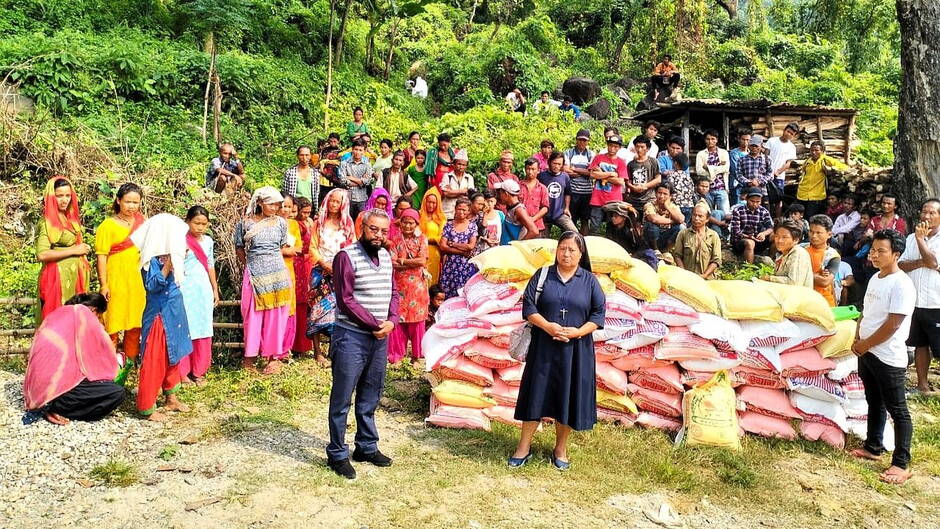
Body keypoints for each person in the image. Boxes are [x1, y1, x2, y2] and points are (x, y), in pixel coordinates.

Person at [509, 231, 605, 470]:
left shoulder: (589, 281)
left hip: (576, 350)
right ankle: (523, 447)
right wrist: (548, 326)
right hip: (544, 347)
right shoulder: (543, 276)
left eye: (572, 250)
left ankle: (560, 448)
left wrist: (579, 331)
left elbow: (598, 314)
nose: (566, 253)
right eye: (562, 248)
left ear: (581, 254)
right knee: (535, 395)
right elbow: (529, 306)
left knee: (568, 398)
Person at [327, 209, 399, 480]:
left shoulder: (386, 256)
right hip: (352, 337)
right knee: (342, 398)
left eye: (383, 230)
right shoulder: (346, 256)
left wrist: (392, 319)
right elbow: (345, 300)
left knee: (371, 394)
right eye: (373, 229)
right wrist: (374, 324)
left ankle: (366, 446)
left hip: (379, 338)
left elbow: (394, 291)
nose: (378, 235)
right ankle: (337, 452)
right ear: (362, 227)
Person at [850, 229, 916, 486]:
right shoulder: (876, 278)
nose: (874, 255)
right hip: (866, 350)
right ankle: (873, 447)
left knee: (898, 409)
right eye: (873, 250)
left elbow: (893, 324)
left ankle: (901, 463)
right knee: (873, 401)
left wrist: (865, 344)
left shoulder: (902, 284)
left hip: (887, 355)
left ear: (896, 254)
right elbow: (866, 312)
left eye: (881, 251)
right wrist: (857, 338)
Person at [22, 293, 124, 425]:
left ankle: (48, 405)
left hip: (35, 391)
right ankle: (58, 408)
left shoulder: (58, 314)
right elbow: (103, 352)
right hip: (57, 392)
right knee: (116, 392)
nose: (98, 320)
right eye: (98, 316)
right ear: (93, 310)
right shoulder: (83, 315)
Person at [130, 213, 192, 421]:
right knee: (154, 358)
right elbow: (153, 285)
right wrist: (167, 267)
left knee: (173, 353)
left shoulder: (173, 256)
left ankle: (171, 397)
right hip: (159, 314)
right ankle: (146, 406)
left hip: (174, 311)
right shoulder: (151, 260)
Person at [235, 187, 292, 374]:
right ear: (260, 203)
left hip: (277, 274)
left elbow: (281, 247)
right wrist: (252, 264)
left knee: (276, 316)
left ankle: (272, 357)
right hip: (254, 275)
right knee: (252, 316)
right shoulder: (244, 224)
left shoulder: (281, 224)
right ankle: (249, 359)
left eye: (278, 204)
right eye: (271, 204)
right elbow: (240, 249)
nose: (275, 208)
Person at [95, 183, 147, 362]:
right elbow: (101, 256)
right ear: (118, 201)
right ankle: (110, 368)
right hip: (115, 282)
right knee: (112, 324)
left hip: (137, 282)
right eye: (127, 202)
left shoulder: (143, 223)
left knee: (135, 325)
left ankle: (130, 367)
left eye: (136, 202)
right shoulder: (107, 226)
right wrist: (104, 284)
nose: (132, 206)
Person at [308, 189, 356, 367]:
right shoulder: (319, 222)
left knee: (339, 311)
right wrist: (323, 263)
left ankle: (333, 350)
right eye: (331, 201)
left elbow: (352, 246)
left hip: (341, 271)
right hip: (320, 271)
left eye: (337, 202)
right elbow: (312, 247)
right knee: (316, 308)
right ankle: (317, 352)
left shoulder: (348, 223)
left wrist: (340, 266)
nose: (334, 205)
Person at [899, 198, 940, 394]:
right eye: (924, 212)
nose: (926, 216)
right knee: (920, 344)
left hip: (936, 301)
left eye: (932, 213)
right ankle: (922, 384)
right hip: (915, 301)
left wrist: (921, 241)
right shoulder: (910, 238)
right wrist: (921, 261)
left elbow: (932, 262)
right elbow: (901, 265)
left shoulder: (920, 238)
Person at [36, 177, 91, 321]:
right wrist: (74, 251)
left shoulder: (70, 220)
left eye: (67, 195)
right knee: (57, 320)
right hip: (56, 278)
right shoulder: (47, 223)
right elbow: (42, 254)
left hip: (73, 276)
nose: (64, 200)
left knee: (73, 319)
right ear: (51, 197)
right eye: (59, 196)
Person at [178, 206, 220, 385]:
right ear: (187, 221)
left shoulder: (208, 241)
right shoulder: (180, 240)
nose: (200, 227)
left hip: (203, 288)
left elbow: (210, 265)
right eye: (196, 223)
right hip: (184, 288)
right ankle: (182, 371)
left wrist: (215, 289)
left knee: (203, 328)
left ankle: (199, 370)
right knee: (186, 328)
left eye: (204, 224)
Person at [388, 208, 429, 364]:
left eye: (411, 223)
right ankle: (397, 354)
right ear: (401, 223)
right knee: (399, 318)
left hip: (417, 286)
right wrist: (409, 263)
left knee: (417, 320)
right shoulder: (395, 240)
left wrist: (403, 261)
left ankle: (417, 356)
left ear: (416, 224)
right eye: (405, 222)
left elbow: (422, 261)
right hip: (399, 284)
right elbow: (393, 263)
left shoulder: (422, 239)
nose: (407, 226)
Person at [279, 195, 303, 364]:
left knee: (289, 306)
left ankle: (285, 348)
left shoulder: (293, 224)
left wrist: (288, 250)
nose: (286, 210)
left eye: (289, 206)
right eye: (283, 206)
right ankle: (273, 348)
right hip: (273, 268)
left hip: (289, 268)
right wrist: (284, 251)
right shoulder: (270, 223)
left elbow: (299, 247)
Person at [438, 198, 479, 298]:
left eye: (464, 210)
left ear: (469, 211)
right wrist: (461, 251)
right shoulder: (448, 225)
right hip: (450, 265)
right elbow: (443, 246)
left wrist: (452, 244)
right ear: (455, 209)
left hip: (465, 266)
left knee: (463, 293)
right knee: (447, 293)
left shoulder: (472, 226)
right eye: (459, 209)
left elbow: (470, 246)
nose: (461, 212)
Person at [796, 140, 848, 218]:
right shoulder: (807, 161)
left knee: (810, 217)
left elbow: (845, 168)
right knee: (798, 216)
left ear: (822, 151)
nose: (814, 152)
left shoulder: (826, 160)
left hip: (816, 195)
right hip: (802, 194)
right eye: (812, 150)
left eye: (817, 150)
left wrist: (831, 169)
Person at [292, 197, 316, 356]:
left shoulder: (309, 222)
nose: (306, 215)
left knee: (308, 302)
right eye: (303, 212)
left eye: (309, 212)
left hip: (308, 264)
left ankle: (306, 344)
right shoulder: (295, 225)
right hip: (297, 264)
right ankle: (297, 345)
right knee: (299, 303)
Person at [673, 203, 722, 279]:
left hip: (707, 280)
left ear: (707, 219)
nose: (696, 218)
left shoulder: (713, 236)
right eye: (694, 215)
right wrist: (684, 274)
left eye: (700, 216)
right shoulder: (683, 233)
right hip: (687, 278)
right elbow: (677, 256)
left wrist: (704, 276)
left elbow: (716, 260)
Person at [761, 220, 814, 288]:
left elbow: (794, 283)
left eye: (784, 237)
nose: (779, 240)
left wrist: (769, 278)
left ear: (796, 240)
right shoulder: (782, 255)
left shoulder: (798, 253)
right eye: (777, 236)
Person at [803, 215, 841, 307]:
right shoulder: (801, 249)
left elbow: (825, 282)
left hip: (823, 301)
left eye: (818, 233)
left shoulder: (832, 255)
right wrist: (816, 276)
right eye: (811, 232)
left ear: (829, 234)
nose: (814, 236)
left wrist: (802, 274)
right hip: (803, 297)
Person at [563, 129, 596, 234]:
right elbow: (565, 170)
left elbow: (591, 173)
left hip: (587, 192)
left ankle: (584, 242)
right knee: (571, 219)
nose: (582, 142)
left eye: (585, 140)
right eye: (580, 140)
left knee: (585, 220)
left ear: (588, 141)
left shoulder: (591, 154)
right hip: (572, 191)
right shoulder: (568, 153)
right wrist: (584, 172)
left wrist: (575, 169)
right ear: (576, 140)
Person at [537, 155, 578, 236]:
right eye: (554, 163)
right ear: (549, 163)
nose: (556, 166)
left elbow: (567, 193)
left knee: (574, 232)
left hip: (559, 213)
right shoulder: (541, 176)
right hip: (544, 214)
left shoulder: (565, 176)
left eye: (559, 164)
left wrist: (566, 208)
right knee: (543, 241)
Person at [730, 187, 774, 263]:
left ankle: (769, 260)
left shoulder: (764, 211)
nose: (755, 204)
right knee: (750, 243)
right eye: (752, 201)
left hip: (758, 240)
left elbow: (770, 228)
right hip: (741, 242)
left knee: (775, 236)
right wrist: (749, 237)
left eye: (758, 202)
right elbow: (736, 232)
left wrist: (763, 234)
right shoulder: (738, 211)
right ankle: (749, 268)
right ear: (746, 199)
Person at [765, 122, 799, 217]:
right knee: (766, 198)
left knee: (778, 199)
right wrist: (768, 171)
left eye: (792, 134)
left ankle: (778, 219)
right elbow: (765, 156)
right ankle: (767, 218)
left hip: (779, 176)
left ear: (794, 136)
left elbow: (788, 164)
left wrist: (777, 172)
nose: (789, 134)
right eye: (788, 131)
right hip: (766, 175)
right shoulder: (772, 141)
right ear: (784, 130)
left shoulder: (791, 147)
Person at [658, 137, 695, 223]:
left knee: (677, 224)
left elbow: (670, 188)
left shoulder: (672, 176)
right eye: (673, 148)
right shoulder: (688, 177)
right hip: (689, 205)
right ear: (668, 146)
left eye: (678, 148)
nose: (675, 151)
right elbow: (692, 190)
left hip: (677, 205)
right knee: (685, 225)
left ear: (675, 163)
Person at [696, 129, 731, 214]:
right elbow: (699, 171)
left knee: (724, 213)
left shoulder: (724, 153)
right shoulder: (701, 154)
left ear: (717, 140)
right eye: (708, 139)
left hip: (721, 188)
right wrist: (718, 168)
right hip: (707, 189)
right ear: (705, 140)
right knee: (707, 213)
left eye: (713, 139)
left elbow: (726, 168)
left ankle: (723, 227)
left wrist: (708, 168)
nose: (710, 141)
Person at [338, 139, 375, 219]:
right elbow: (342, 180)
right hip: (348, 198)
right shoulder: (345, 163)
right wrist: (361, 182)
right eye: (356, 149)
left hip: (362, 199)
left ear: (364, 151)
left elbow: (368, 181)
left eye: (360, 150)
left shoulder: (367, 165)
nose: (358, 152)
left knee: (361, 222)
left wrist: (351, 178)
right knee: (347, 221)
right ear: (352, 149)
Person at [624, 135, 661, 212]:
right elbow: (627, 181)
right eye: (637, 147)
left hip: (649, 199)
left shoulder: (653, 162)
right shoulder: (631, 164)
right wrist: (633, 187)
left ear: (647, 148)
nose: (639, 149)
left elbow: (658, 179)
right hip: (633, 200)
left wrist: (645, 186)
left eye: (642, 147)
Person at [643, 183, 684, 253]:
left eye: (665, 194)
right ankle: (655, 250)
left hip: (665, 237)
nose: (661, 196)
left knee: (681, 227)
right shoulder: (649, 204)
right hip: (650, 238)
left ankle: (666, 250)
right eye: (659, 193)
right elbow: (654, 219)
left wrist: (667, 206)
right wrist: (673, 221)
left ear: (670, 196)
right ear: (656, 193)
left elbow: (681, 219)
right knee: (652, 225)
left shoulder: (672, 206)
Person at [420, 187, 446, 285]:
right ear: (424, 202)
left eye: (434, 203)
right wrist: (430, 239)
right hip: (419, 252)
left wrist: (429, 239)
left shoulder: (441, 219)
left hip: (434, 252)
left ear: (438, 203)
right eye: (429, 202)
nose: (431, 205)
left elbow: (442, 238)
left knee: (432, 278)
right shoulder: (418, 215)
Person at [439, 149, 474, 220]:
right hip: (448, 212)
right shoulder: (447, 176)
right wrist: (462, 191)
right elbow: (445, 193)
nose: (461, 167)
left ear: (466, 166)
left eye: (463, 165)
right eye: (459, 164)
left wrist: (451, 192)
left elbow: (470, 194)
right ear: (454, 164)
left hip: (463, 214)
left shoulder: (469, 178)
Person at [518, 159, 549, 234]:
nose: (530, 172)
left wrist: (533, 219)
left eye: (533, 169)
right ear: (525, 170)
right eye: (528, 169)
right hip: (519, 225)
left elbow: (545, 207)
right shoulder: (518, 186)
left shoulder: (542, 188)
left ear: (538, 170)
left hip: (537, 225)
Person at [474, 190, 504, 254]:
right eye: (487, 201)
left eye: (491, 201)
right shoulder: (479, 215)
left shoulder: (500, 214)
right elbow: (478, 233)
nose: (489, 204)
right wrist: (484, 214)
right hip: (482, 249)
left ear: (495, 202)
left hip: (496, 247)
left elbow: (503, 230)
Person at [728, 130, 751, 206]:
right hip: (737, 185)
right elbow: (735, 170)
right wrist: (747, 181)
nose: (745, 142)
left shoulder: (751, 153)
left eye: (747, 140)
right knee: (737, 206)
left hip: (750, 185)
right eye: (743, 139)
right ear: (738, 139)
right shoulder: (734, 153)